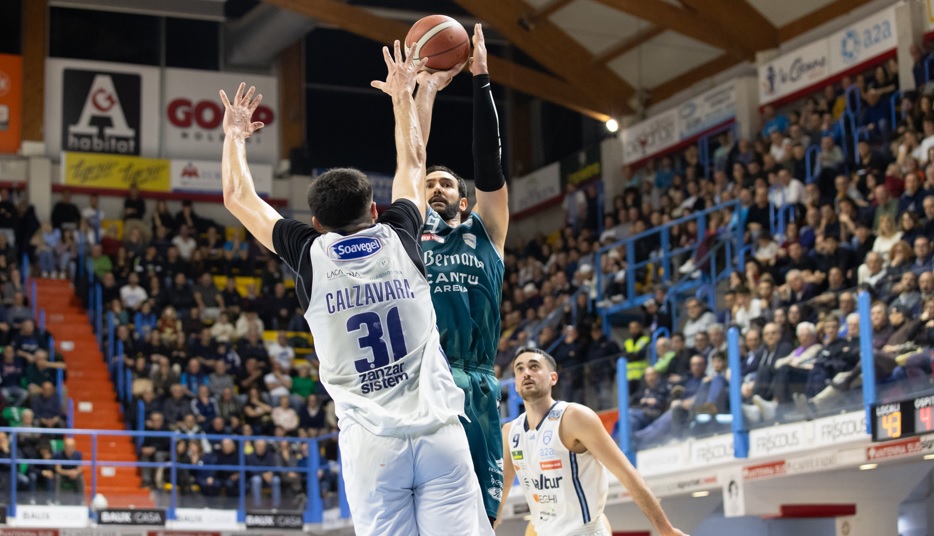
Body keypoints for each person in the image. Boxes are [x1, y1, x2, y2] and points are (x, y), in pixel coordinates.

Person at [219, 38, 489, 536]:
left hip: (371, 445)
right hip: (439, 433)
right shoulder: (400, 234)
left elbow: (238, 196)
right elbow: (414, 161)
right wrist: (404, 95)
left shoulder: (310, 255)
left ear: (316, 224)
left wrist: (235, 136)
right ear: (375, 210)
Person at [414, 24, 509, 523]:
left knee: (484, 514)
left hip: (480, 377)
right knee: (433, 508)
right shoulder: (411, 235)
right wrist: (421, 91)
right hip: (431, 376)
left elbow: (488, 159)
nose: (435, 188)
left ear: (464, 199)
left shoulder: (488, 230)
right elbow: (410, 155)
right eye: (428, 183)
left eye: (445, 184)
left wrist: (481, 79)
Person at [497, 349, 687, 536]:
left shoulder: (574, 417)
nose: (526, 373)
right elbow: (503, 486)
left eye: (534, 367)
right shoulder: (510, 431)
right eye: (520, 369)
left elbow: (627, 474)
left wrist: (665, 529)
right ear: (515, 384)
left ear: (553, 378)